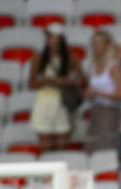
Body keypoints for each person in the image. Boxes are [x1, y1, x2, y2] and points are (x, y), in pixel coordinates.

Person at [28, 24, 86, 152]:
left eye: (53, 37)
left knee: (62, 139)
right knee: (45, 138)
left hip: (63, 100)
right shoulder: (38, 58)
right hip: (45, 100)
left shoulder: (71, 58)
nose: (51, 40)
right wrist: (52, 81)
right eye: (49, 37)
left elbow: (82, 80)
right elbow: (31, 84)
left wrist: (66, 82)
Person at [85, 30, 121, 152]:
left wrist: (98, 93)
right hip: (95, 109)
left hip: (109, 111)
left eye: (99, 43)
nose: (95, 46)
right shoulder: (91, 66)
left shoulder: (113, 67)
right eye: (94, 43)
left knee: (105, 147)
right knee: (92, 146)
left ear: (107, 45)